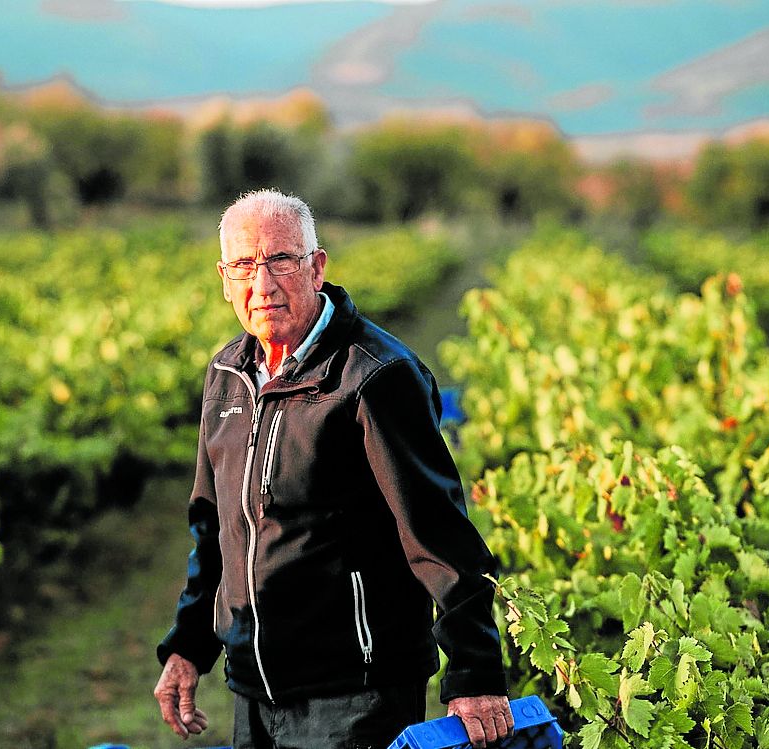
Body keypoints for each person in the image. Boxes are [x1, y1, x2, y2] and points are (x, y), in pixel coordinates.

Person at [154, 189, 512, 749]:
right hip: (253, 686)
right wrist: (189, 644)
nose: (263, 285)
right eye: (245, 266)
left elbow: (438, 531)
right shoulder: (227, 374)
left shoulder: (376, 377)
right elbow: (216, 528)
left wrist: (474, 672)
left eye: (281, 261)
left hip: (356, 695)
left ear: (317, 267)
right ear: (224, 279)